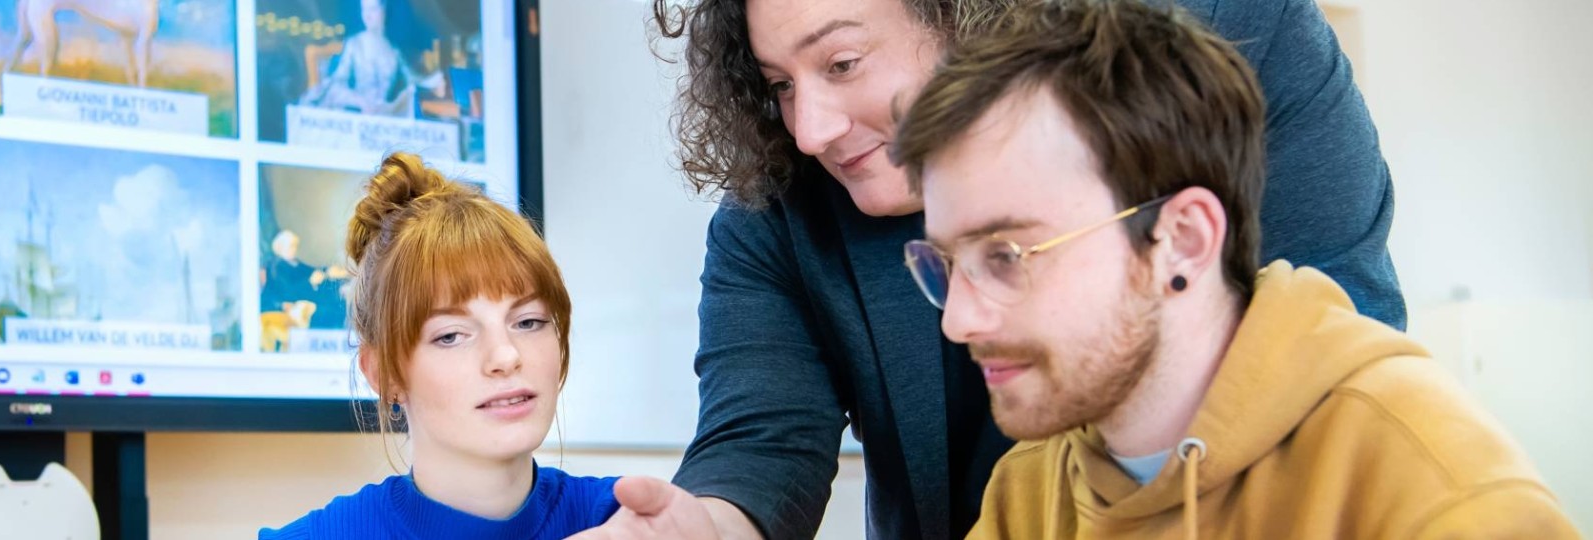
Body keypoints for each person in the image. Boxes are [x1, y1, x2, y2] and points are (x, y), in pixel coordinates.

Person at [592, 0, 1408, 537]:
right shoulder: (1026, 500)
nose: (808, 129)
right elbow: (760, 444)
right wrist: (699, 525)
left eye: (842, 64)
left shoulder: (1239, 36)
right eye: (777, 85)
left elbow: (1332, 341)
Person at [888, 1, 1574, 537]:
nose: (957, 320)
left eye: (1006, 257)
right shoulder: (1029, 493)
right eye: (948, 264)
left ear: (1182, 241)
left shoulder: (1429, 481)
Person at [259, 153, 620, 538]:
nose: (506, 356)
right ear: (384, 373)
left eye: (528, 322)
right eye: (451, 335)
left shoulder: (628, 519)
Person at [300, 0, 412, 116]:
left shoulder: (394, 51)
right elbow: (336, 85)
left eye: (373, 9)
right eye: (364, 10)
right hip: (356, 114)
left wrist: (391, 107)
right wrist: (360, 101)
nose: (367, 16)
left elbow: (411, 86)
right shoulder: (354, 44)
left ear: (384, 10)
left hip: (385, 118)